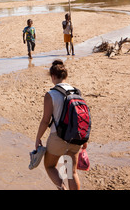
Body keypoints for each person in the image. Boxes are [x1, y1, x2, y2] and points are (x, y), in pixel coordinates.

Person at [35, 60, 86, 190]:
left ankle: (62, 188)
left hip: (58, 137)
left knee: (50, 166)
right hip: (76, 137)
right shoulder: (77, 92)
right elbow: (82, 116)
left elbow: (45, 121)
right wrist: (85, 140)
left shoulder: (50, 94)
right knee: (71, 172)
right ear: (65, 76)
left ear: (52, 76)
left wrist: (38, 138)